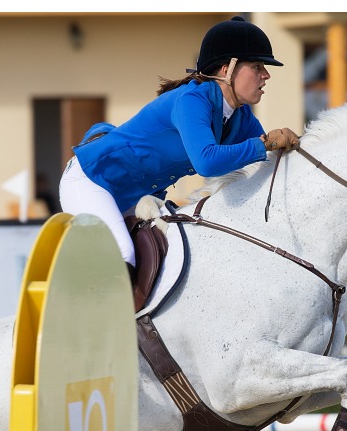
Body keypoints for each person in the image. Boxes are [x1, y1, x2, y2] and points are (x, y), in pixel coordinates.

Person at [59, 16, 300, 268]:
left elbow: (259, 164)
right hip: (92, 182)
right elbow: (207, 162)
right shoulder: (192, 100)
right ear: (227, 69)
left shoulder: (241, 116)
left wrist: (286, 150)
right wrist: (264, 144)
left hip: (134, 198)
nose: (266, 75)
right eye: (257, 67)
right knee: (124, 255)